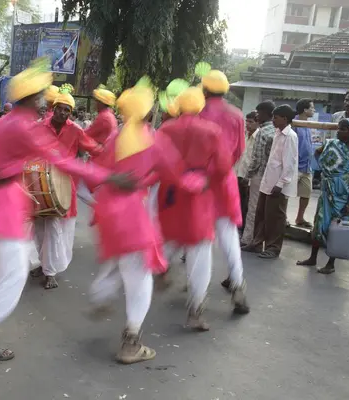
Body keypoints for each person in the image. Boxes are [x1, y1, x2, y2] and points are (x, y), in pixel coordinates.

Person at [0, 58, 130, 361]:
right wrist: (108, 176)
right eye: (40, 97)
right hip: (5, 202)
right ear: (30, 99)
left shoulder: (9, 123)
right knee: (17, 271)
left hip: (5, 199)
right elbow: (60, 160)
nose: (44, 102)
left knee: (22, 258)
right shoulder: (22, 126)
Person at [88, 79, 205, 363]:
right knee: (141, 278)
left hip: (108, 214)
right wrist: (196, 181)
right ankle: (131, 342)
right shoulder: (154, 141)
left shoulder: (116, 138)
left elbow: (96, 173)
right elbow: (175, 175)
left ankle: (101, 295)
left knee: (122, 263)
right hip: (132, 217)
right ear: (150, 114)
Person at [157, 87, 247, 330]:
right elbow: (228, 160)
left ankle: (158, 270)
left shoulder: (166, 128)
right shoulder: (230, 118)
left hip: (173, 194)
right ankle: (207, 303)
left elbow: (157, 161)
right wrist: (204, 180)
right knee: (215, 243)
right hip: (207, 192)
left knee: (171, 238)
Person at [30, 87, 102, 289]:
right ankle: (43, 264)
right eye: (60, 109)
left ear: (71, 113)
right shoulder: (39, 127)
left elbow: (94, 148)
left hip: (63, 186)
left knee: (54, 229)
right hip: (39, 184)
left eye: (67, 110)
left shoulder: (76, 130)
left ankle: (50, 272)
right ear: (53, 108)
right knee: (39, 230)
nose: (63, 113)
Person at [199, 71, 247, 294]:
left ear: (205, 90)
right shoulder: (237, 114)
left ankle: (197, 296)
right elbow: (239, 151)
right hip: (225, 181)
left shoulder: (199, 113)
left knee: (202, 239)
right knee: (229, 235)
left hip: (201, 183)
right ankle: (237, 283)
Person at [297, 119, 349, 274]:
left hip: (342, 195)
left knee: (336, 228)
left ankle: (331, 263)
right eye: (339, 128)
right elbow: (317, 153)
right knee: (319, 224)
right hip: (326, 191)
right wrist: (326, 170)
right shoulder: (331, 143)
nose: (339, 131)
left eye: (343, 129)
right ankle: (312, 258)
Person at [243, 105, 299, 259]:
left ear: (285, 119)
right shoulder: (277, 133)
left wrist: (280, 184)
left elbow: (289, 163)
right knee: (261, 214)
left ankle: (273, 248)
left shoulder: (290, 136)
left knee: (275, 217)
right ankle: (256, 243)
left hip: (277, 185)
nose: (273, 120)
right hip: (267, 181)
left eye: (276, 117)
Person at [242, 101, 277, 246]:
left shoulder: (263, 132)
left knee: (253, 209)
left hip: (259, 176)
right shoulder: (276, 131)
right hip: (271, 176)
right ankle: (259, 240)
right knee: (265, 211)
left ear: (265, 113)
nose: (257, 116)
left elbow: (257, 159)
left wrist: (247, 176)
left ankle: (248, 239)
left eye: (258, 113)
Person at [235, 111, 259, 234]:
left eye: (251, 122)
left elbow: (254, 160)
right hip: (239, 174)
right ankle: (238, 227)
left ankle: (244, 229)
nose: (248, 124)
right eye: (247, 121)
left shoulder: (258, 138)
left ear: (258, 123)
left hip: (249, 176)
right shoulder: (244, 135)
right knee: (239, 202)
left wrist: (248, 177)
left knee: (248, 204)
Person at [294, 98, 315, 227]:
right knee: (286, 194)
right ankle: (282, 218)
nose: (314, 110)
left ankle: (299, 218)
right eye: (312, 108)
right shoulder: (295, 123)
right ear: (305, 110)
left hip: (307, 167)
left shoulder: (308, 124)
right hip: (296, 166)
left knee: (306, 194)